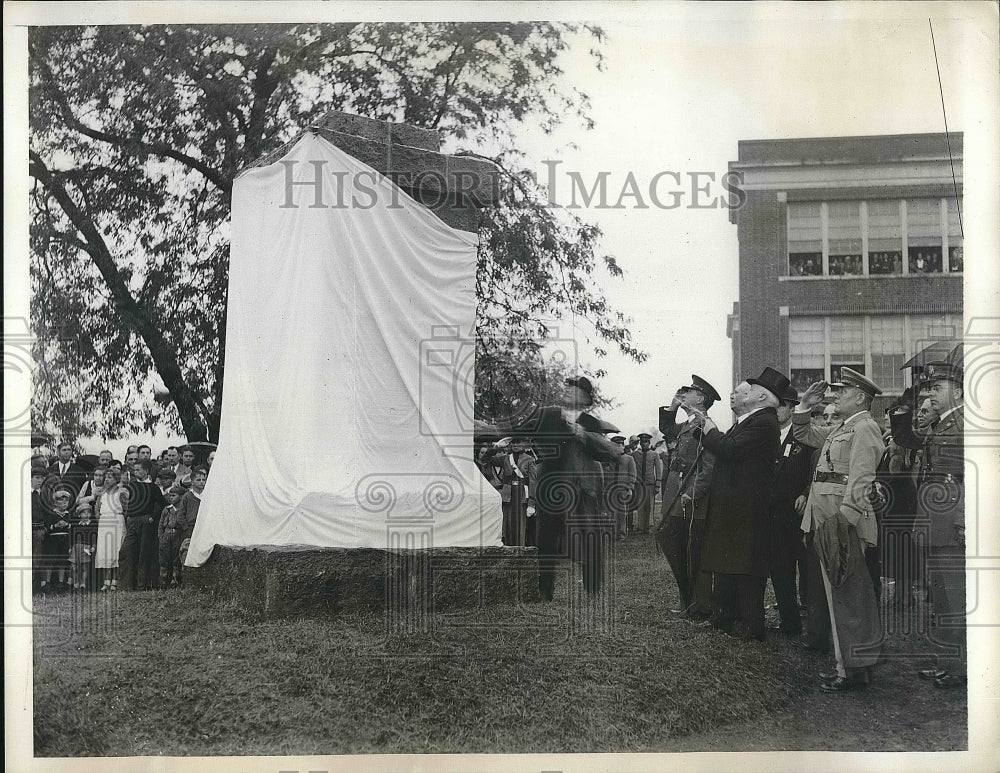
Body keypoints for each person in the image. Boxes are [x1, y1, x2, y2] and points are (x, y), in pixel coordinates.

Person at [793, 367, 885, 692]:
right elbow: (803, 435)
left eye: (843, 391)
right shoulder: (842, 429)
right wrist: (804, 404)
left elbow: (861, 479)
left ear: (860, 397)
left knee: (847, 598)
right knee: (839, 598)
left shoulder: (865, 428)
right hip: (827, 521)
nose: (836, 395)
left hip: (842, 523)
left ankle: (851, 670)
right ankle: (849, 666)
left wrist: (844, 521)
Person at [492, 376, 623, 600]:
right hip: (553, 488)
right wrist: (503, 437)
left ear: (584, 398)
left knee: (588, 536)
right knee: (547, 539)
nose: (567, 391)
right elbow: (523, 428)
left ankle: (592, 587)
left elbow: (609, 453)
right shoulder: (548, 414)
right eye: (568, 387)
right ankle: (545, 591)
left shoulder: (590, 423)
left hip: (584, 491)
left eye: (574, 389)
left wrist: (582, 434)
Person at [691, 368, 785, 642]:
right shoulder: (751, 421)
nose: (738, 392)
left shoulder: (764, 422)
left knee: (745, 568)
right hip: (737, 507)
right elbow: (728, 446)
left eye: (748, 388)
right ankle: (726, 619)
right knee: (730, 564)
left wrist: (708, 429)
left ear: (760, 396)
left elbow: (729, 449)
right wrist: (706, 430)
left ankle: (749, 625)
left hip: (745, 509)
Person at [890, 362, 966, 689]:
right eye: (929, 388)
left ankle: (960, 668)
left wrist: (964, 522)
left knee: (954, 598)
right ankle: (947, 663)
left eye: (938, 388)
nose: (931, 393)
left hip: (952, 521)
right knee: (941, 596)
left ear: (959, 392)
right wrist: (906, 403)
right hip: (935, 519)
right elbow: (907, 436)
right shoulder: (941, 424)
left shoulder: (965, 424)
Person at [655, 375, 720, 619]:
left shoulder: (704, 425)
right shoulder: (688, 424)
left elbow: (709, 465)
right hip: (677, 491)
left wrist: (693, 492)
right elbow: (667, 429)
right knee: (676, 545)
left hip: (690, 495)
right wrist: (672, 407)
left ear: (700, 398)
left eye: (690, 391)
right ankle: (688, 602)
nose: (684, 393)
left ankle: (700, 605)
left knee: (693, 550)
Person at [767, 385, 814, 637]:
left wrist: (806, 493)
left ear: (792, 407)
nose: (775, 410)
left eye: (780, 405)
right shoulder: (769, 435)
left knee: (807, 569)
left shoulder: (804, 436)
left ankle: (816, 624)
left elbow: (814, 471)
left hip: (799, 514)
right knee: (781, 570)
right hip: (775, 516)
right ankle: (790, 622)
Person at [119, 459, 166, 590]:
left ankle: (142, 585)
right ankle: (125, 585)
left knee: (144, 554)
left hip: (146, 522)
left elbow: (162, 504)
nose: (136, 472)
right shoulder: (132, 485)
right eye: (134, 470)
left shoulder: (153, 488)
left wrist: (152, 517)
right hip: (132, 522)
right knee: (125, 551)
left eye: (138, 470)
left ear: (146, 471)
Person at [95, 467, 128, 591]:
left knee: (115, 550)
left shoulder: (122, 492)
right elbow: (97, 509)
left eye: (110, 477)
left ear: (116, 479)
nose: (107, 480)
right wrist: (101, 520)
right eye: (106, 477)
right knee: (105, 551)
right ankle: (106, 581)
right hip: (104, 524)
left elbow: (126, 508)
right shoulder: (101, 493)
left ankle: (115, 581)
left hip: (117, 522)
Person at [42, 487, 75, 591]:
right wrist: (56, 525)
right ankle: (47, 582)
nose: (64, 503)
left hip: (64, 539)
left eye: (66, 501)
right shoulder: (51, 513)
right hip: (53, 540)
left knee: (63, 561)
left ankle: (61, 582)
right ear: (55, 503)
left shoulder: (68, 514)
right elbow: (48, 526)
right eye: (61, 501)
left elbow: (72, 527)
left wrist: (67, 524)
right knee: (50, 561)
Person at [630, 433, 663, 534]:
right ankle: (640, 527)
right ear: (640, 443)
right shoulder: (635, 454)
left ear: (649, 443)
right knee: (640, 505)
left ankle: (649, 526)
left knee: (650, 505)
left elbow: (658, 470)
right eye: (642, 442)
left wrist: (657, 484)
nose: (644, 444)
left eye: (646, 442)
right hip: (639, 484)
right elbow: (626, 456)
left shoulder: (654, 454)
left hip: (650, 483)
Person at [178, 467, 209, 568]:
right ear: (192, 481)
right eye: (198, 480)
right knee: (188, 554)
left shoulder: (208, 496)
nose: (201, 482)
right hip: (190, 529)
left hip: (205, 528)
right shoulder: (187, 496)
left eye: (203, 480)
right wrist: (186, 528)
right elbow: (180, 515)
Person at [607, 435, 636, 541]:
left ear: (624, 446)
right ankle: (613, 533)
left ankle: (621, 533)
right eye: (616, 445)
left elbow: (632, 474)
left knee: (622, 512)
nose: (618, 447)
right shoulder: (610, 458)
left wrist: (630, 488)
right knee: (612, 511)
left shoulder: (629, 459)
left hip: (623, 489)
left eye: (620, 445)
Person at [158, 486, 186, 586]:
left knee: (176, 559)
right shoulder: (166, 510)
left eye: (173, 496)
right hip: (166, 536)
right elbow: (161, 525)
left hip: (178, 536)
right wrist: (161, 536)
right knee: (164, 559)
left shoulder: (182, 510)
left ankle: (175, 580)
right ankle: (164, 581)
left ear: (181, 497)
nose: (171, 498)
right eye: (170, 496)